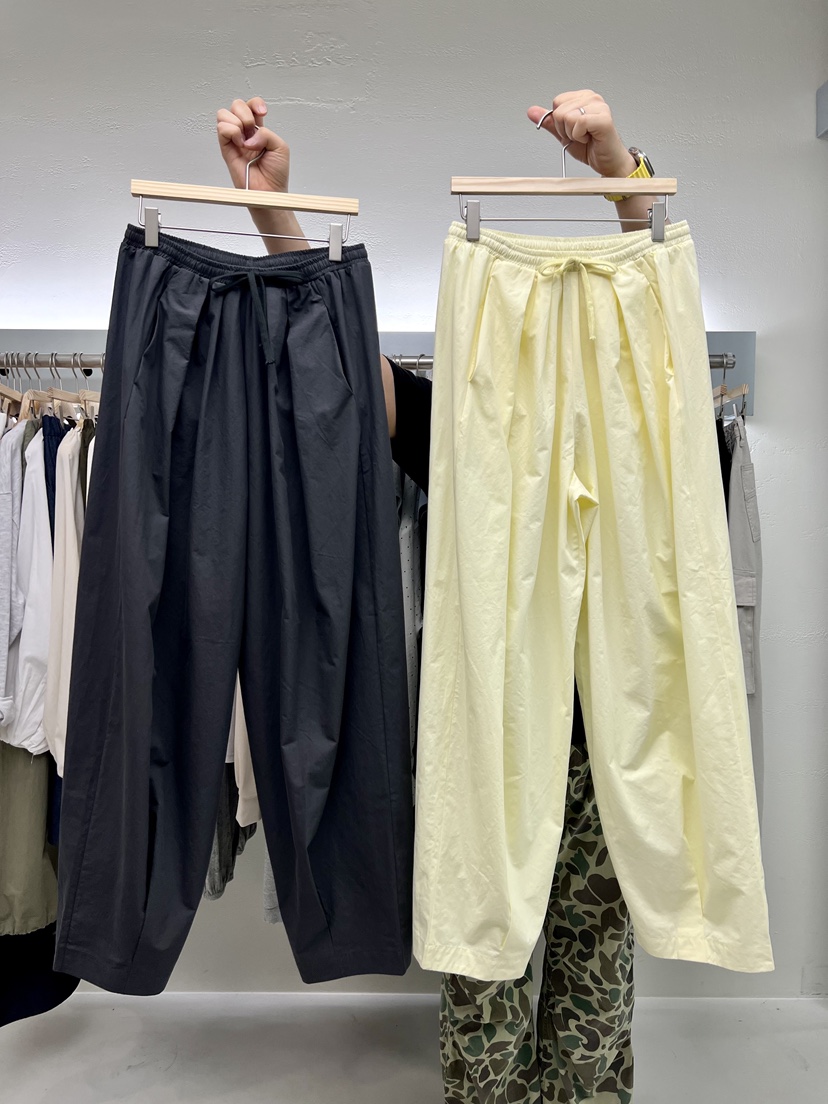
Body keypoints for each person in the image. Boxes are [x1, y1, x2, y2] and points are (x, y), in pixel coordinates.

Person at [217, 90, 650, 1104]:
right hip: (489, 742)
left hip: (610, 739)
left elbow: (656, 313)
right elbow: (347, 369)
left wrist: (621, 173)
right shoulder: (466, 425)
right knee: (485, 976)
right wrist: (275, 218)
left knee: (595, 980)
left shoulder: (634, 420)